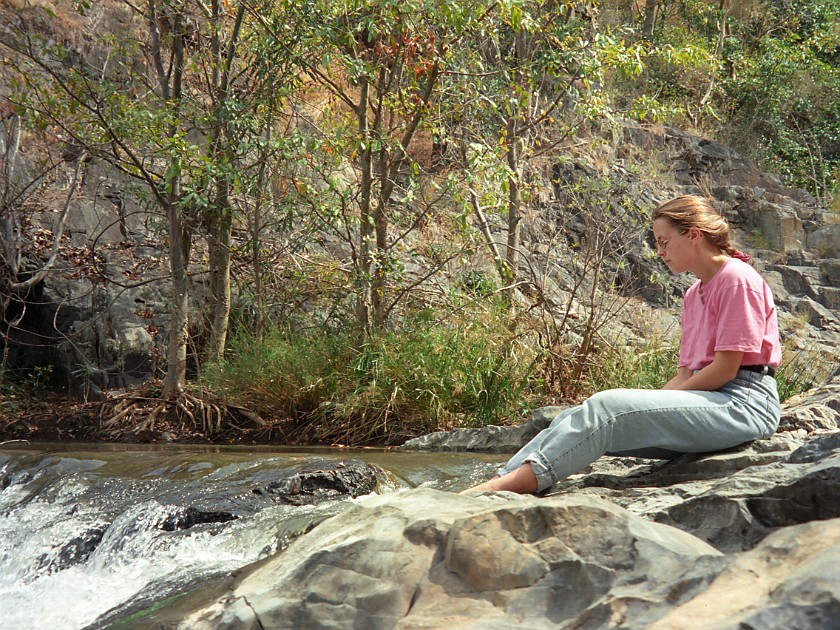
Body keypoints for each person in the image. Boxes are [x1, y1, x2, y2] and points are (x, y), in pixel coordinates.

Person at [464, 194, 782, 494]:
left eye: (664, 242)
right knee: (573, 417)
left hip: (744, 405)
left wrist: (641, 407)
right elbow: (686, 374)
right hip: (708, 401)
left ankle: (495, 491)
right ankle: (503, 478)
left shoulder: (736, 278)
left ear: (694, 235)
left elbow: (725, 369)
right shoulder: (692, 293)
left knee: (608, 408)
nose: (660, 252)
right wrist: (648, 406)